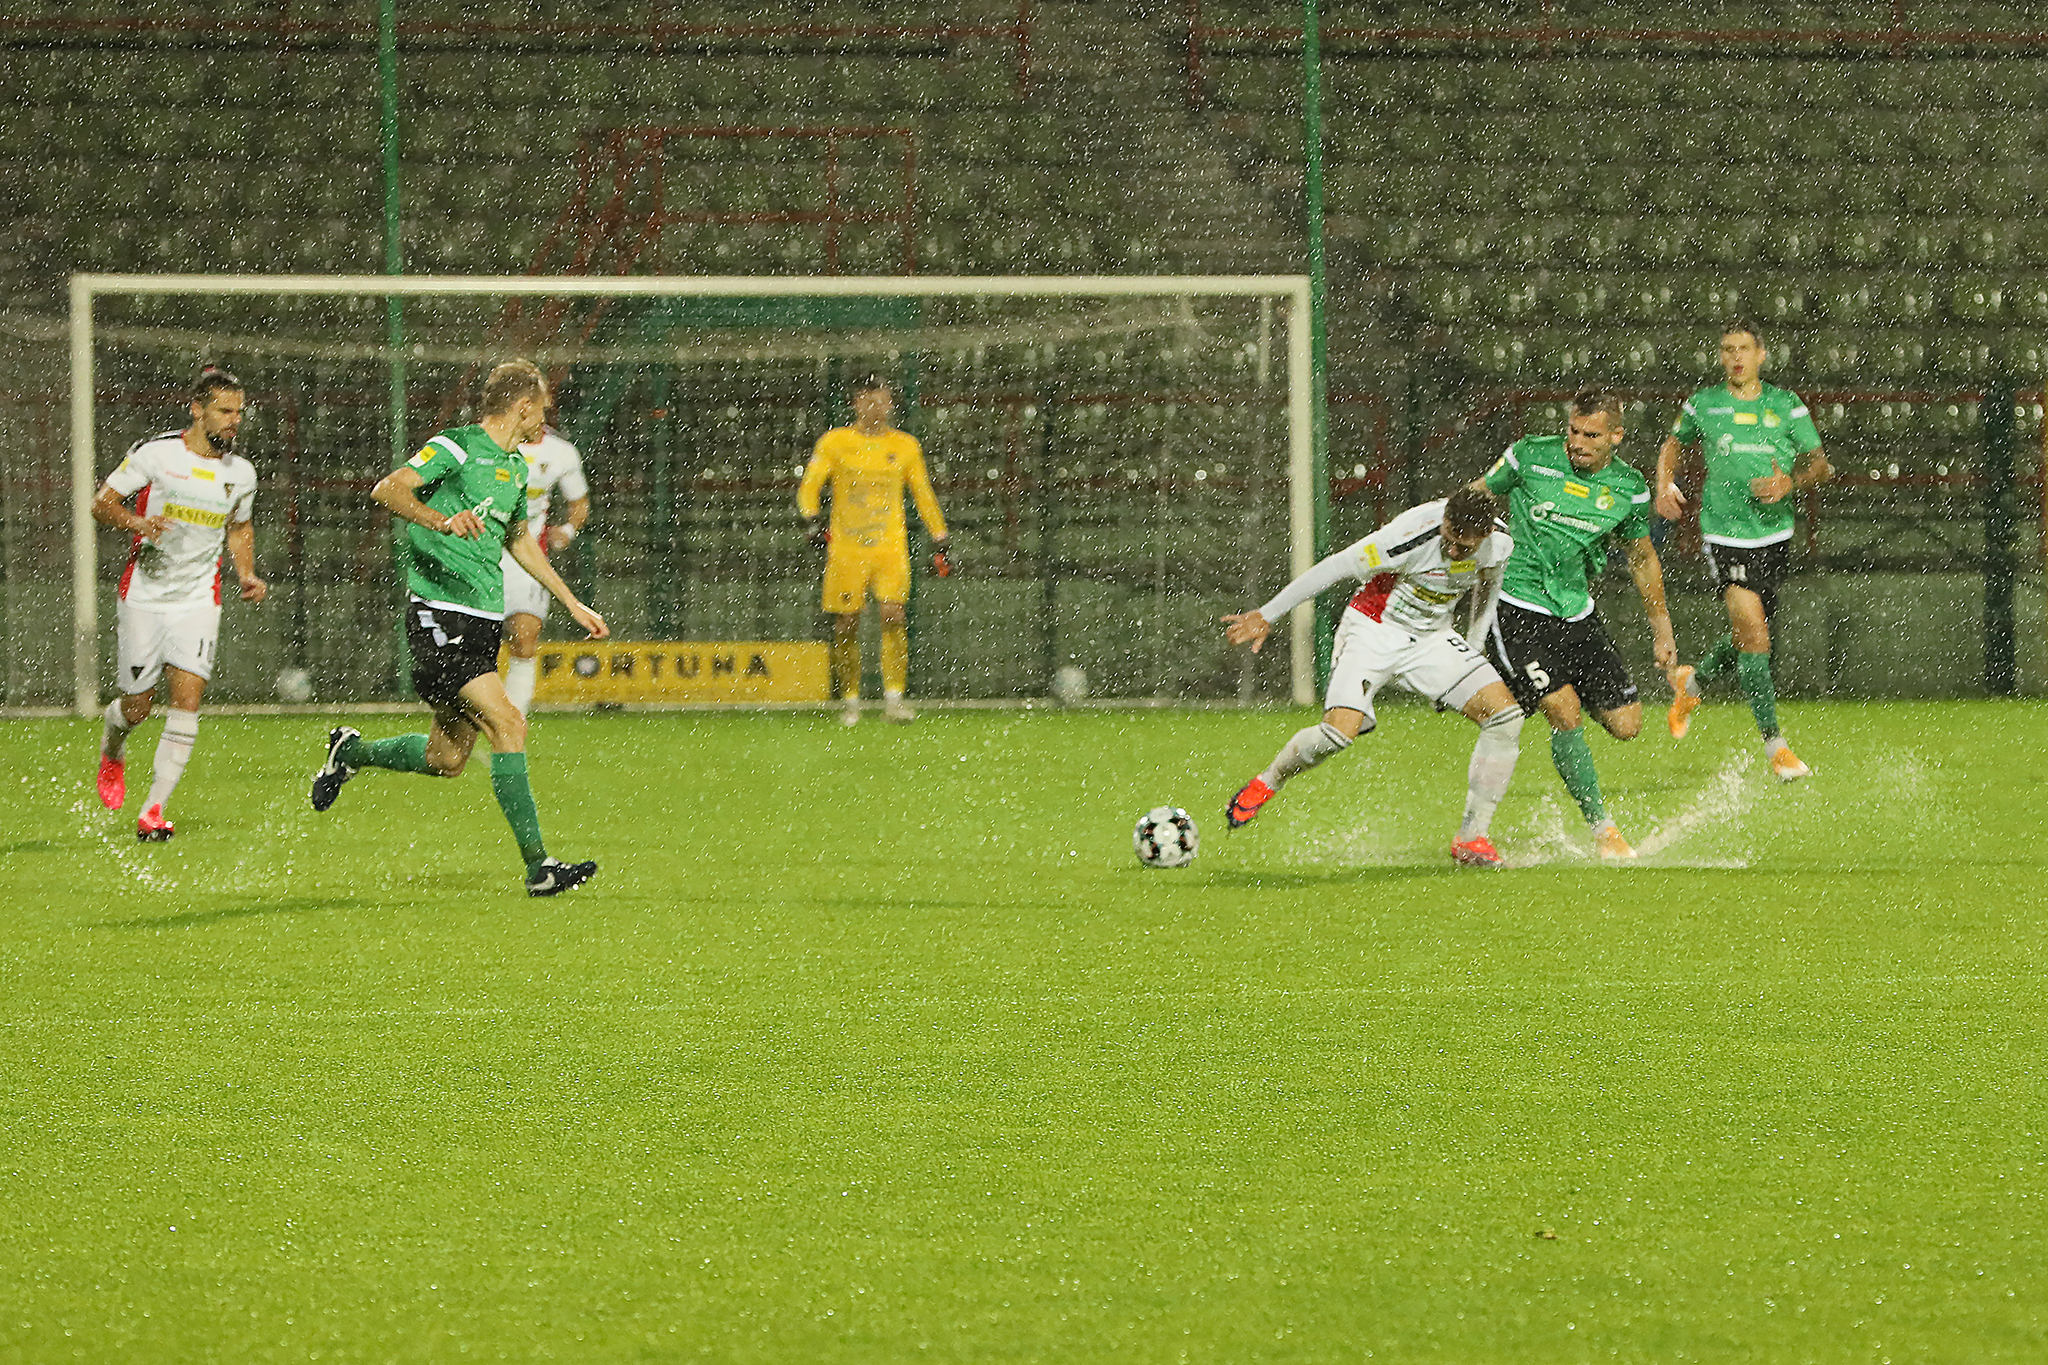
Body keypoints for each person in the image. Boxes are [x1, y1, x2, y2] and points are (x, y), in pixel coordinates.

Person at [306, 360, 609, 897]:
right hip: (439, 616)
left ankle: (349, 752)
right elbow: (389, 489)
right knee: (509, 725)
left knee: (445, 759)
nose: (545, 417)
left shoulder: (515, 467)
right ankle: (539, 867)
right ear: (523, 407)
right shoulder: (457, 446)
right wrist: (440, 521)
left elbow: (518, 540)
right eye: (541, 407)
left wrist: (570, 602)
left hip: (481, 620)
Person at [1220, 486, 1525, 868]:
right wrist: (1267, 614)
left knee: (1505, 717)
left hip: (1432, 639)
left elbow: (1488, 586)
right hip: (1373, 630)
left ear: (1486, 535)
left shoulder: (1499, 545)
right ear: (1444, 520)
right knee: (1337, 734)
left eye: (1463, 548)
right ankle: (1269, 780)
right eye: (1448, 539)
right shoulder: (1407, 537)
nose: (1452, 551)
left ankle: (1471, 837)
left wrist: (1474, 648)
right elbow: (1335, 567)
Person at [1471, 388, 1680, 863]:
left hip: (1576, 613)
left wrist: (1662, 630)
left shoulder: (1628, 487)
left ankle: (1516, 697)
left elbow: (1642, 557)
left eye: (1591, 436)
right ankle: (1604, 830)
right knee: (1564, 712)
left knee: (1627, 725)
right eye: (1573, 431)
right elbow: (1475, 495)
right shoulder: (1530, 456)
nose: (1578, 443)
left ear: (1616, 437)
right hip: (1518, 608)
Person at [91, 365, 266, 840]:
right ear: (197, 410)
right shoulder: (156, 455)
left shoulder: (241, 474)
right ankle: (113, 747)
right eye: (224, 411)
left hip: (198, 599)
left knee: (187, 702)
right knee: (137, 708)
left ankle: (153, 810)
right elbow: (101, 504)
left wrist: (246, 573)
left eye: (239, 412)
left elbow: (239, 526)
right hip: (145, 596)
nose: (234, 420)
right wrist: (137, 523)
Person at [1655, 320, 1832, 780]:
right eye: (1727, 349)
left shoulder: (1786, 405)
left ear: (1761, 355)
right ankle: (1776, 748)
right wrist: (1664, 483)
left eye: (1743, 349)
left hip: (1774, 536)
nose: (1735, 357)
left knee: (1747, 638)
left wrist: (1789, 482)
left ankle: (1691, 682)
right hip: (1724, 534)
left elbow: (1821, 466)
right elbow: (1673, 444)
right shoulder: (1704, 404)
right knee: (1756, 638)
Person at [797, 373, 950, 725]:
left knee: (893, 615)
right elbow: (809, 487)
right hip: (846, 548)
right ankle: (850, 702)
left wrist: (940, 537)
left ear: (891, 404)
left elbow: (923, 493)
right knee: (846, 622)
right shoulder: (835, 442)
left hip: (889, 546)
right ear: (854, 404)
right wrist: (811, 520)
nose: (874, 407)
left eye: (881, 400)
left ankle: (894, 701)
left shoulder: (905, 446)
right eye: (867, 400)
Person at [500, 419, 591, 714]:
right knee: (476, 646)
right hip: (481, 554)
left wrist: (567, 530)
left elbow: (579, 503)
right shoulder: (488, 445)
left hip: (527, 556)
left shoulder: (562, 453)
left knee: (524, 641)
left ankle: (514, 721)